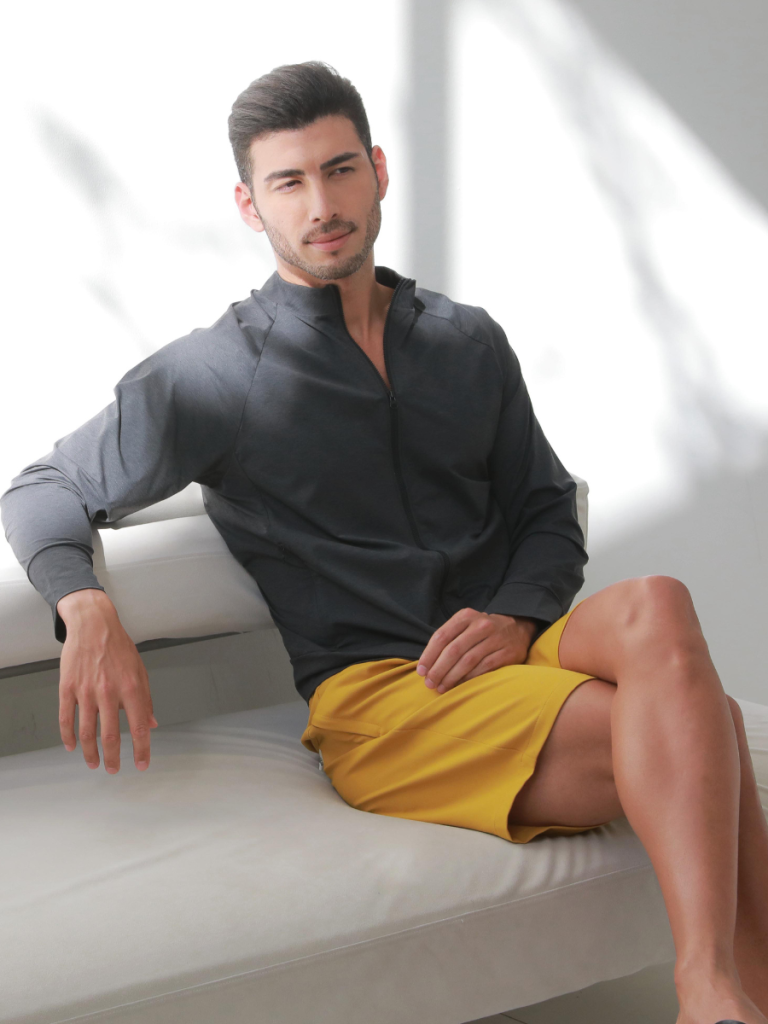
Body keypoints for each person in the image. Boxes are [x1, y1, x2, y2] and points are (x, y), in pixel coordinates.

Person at [1, 61, 766, 1024]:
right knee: (708, 723)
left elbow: (544, 509)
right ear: (249, 205)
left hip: (510, 651)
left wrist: (514, 614)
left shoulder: (466, 341)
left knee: (658, 599)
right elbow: (46, 488)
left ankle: (721, 997)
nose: (322, 205)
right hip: (387, 701)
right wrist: (86, 608)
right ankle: (718, 989)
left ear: (379, 171)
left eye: (340, 169)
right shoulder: (214, 376)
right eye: (289, 182)